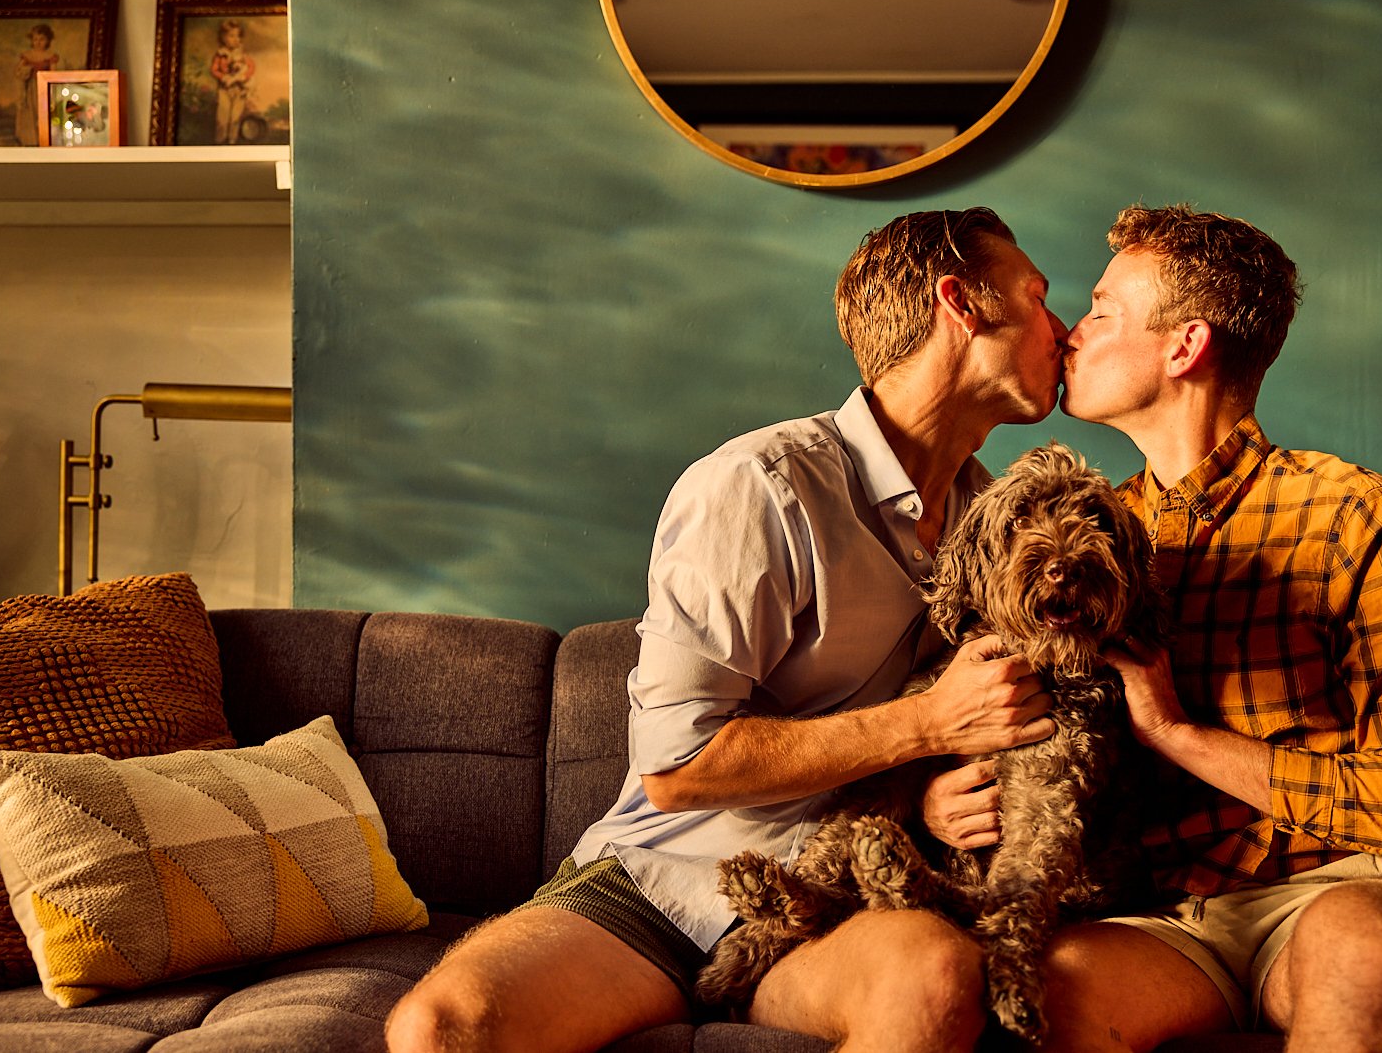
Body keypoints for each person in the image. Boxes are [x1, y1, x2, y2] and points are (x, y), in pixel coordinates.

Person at [386, 207, 1070, 1053]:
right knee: (442, 1027)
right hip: (668, 884)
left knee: (931, 979)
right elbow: (677, 766)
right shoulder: (761, 487)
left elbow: (990, 724)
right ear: (960, 304)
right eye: (1040, 298)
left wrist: (931, 795)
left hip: (844, 900)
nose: (1063, 329)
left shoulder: (1001, 523)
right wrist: (926, 725)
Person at [926, 204, 1382, 1053]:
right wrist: (939, 800)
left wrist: (1180, 735)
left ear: (1184, 347)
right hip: (1168, 917)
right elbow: (997, 719)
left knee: (1356, 953)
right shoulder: (1086, 535)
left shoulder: (1357, 517)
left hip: (1352, 888)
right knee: (1016, 993)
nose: (1069, 334)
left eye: (1102, 312)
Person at [211, 20, 255, 144]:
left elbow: (251, 67)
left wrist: (243, 76)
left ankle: (232, 141)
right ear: (223, 38)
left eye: (238, 36)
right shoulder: (220, 54)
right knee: (222, 118)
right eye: (232, 36)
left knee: (236, 117)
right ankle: (220, 141)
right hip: (224, 89)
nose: (236, 39)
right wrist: (223, 77)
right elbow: (214, 70)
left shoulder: (242, 54)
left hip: (240, 89)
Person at [14, 24, 59, 147]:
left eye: (42, 39)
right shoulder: (28, 55)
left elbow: (54, 74)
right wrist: (27, 70)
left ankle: (44, 140)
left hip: (44, 89)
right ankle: (30, 140)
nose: (38, 43)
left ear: (48, 40)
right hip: (30, 89)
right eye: (35, 39)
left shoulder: (50, 56)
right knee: (30, 113)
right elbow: (18, 71)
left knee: (43, 113)